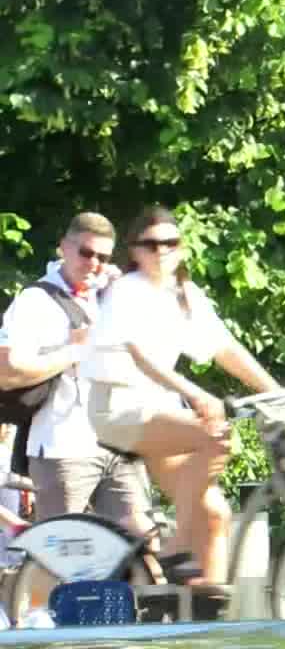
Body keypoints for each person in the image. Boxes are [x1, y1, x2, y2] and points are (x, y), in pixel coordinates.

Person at [80, 206, 280, 585]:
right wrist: (196, 394)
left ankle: (206, 610)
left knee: (214, 516)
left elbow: (225, 348)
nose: (161, 251)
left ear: (182, 248)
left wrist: (277, 392)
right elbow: (141, 357)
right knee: (214, 434)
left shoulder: (185, 294)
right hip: (118, 408)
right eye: (151, 244)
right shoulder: (126, 291)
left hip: (159, 410)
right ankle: (176, 546)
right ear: (135, 251)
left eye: (169, 243)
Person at [0, 213, 152, 537]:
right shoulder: (36, 301)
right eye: (86, 252)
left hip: (117, 441)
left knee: (141, 539)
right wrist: (74, 350)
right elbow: (7, 372)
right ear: (64, 248)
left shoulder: (108, 294)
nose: (94, 263)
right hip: (63, 447)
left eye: (103, 257)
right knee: (60, 549)